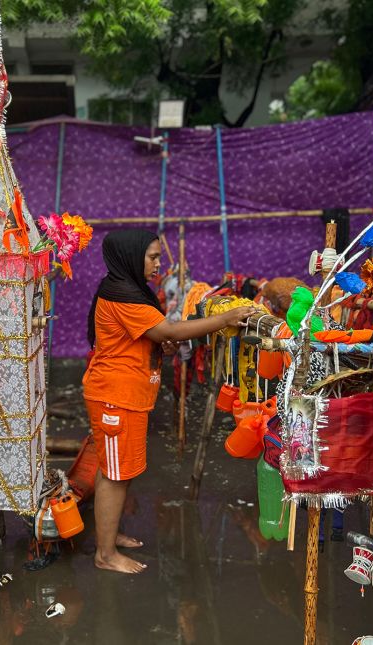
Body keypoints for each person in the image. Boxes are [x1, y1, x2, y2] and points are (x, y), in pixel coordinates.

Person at [83, 229, 256, 574]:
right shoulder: (123, 296)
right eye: (152, 257)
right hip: (116, 397)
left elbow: (149, 337)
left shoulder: (129, 289)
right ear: (131, 257)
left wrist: (159, 345)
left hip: (127, 396)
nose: (158, 264)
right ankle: (105, 555)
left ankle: (109, 536)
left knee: (117, 471)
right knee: (114, 475)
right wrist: (225, 319)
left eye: (158, 256)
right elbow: (168, 330)